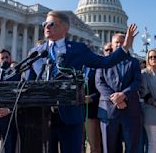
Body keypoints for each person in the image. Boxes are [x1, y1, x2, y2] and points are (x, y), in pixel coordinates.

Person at [27, 10, 138, 153]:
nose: (46, 27)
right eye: (45, 24)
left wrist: (125, 48)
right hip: (43, 117)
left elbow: (105, 62)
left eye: (51, 24)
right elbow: (28, 84)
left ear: (65, 28)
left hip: (71, 116)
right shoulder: (35, 53)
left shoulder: (79, 49)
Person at [96, 33, 142, 153]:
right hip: (108, 111)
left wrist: (123, 95)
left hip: (130, 110)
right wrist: (115, 99)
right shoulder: (103, 61)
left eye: (122, 42)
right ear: (112, 44)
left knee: (132, 146)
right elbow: (99, 83)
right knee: (109, 147)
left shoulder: (134, 62)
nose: (119, 45)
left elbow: (137, 82)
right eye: (117, 42)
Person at [83, 43, 113, 153]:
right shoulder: (76, 67)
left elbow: (101, 88)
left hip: (91, 112)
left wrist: (91, 98)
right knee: (78, 144)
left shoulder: (97, 67)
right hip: (77, 111)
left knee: (94, 145)